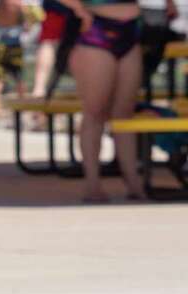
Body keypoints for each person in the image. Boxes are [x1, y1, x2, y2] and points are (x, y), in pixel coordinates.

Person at [62, 0, 145, 201]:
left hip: (131, 28)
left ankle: (133, 180)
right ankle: (92, 183)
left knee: (124, 113)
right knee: (95, 111)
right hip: (96, 28)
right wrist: (78, 9)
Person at [0, 0, 40, 121]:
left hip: (0, 45)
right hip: (15, 46)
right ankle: (23, 104)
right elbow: (35, 18)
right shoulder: (20, 4)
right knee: (18, 77)